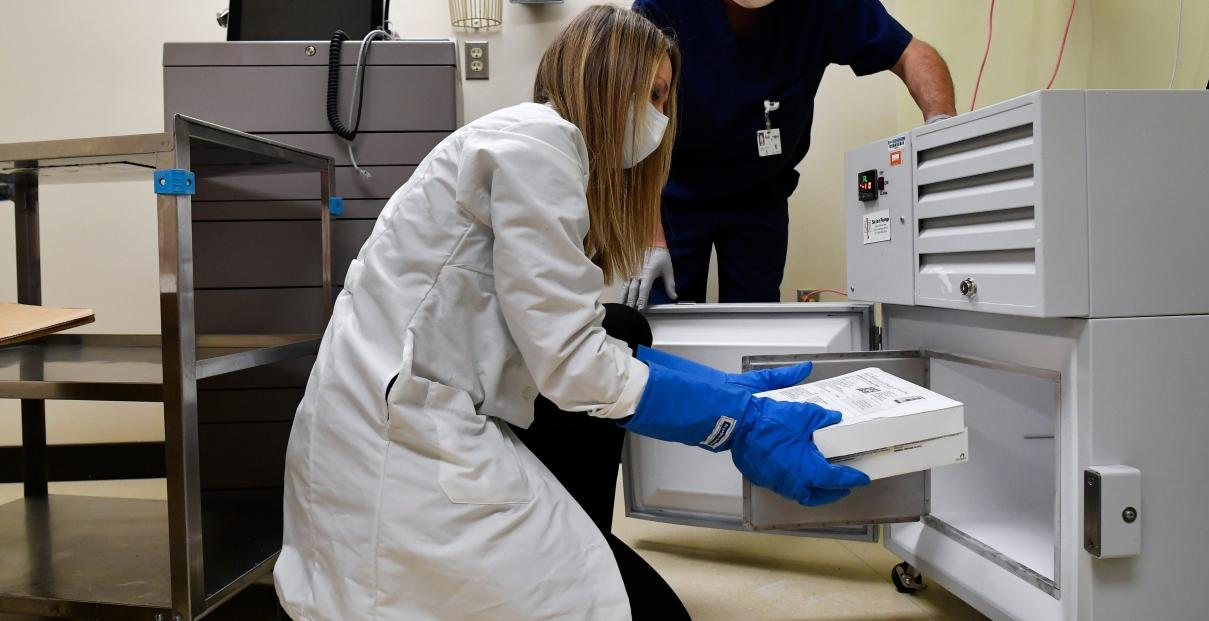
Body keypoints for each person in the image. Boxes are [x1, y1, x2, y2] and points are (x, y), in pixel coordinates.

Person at [274, 6, 868, 620]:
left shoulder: (529, 141)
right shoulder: (542, 143)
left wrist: (720, 389)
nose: (660, 118)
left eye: (668, 101)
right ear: (609, 77)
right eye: (653, 94)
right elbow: (574, 367)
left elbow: (576, 339)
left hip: (397, 414)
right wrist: (734, 421)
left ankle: (572, 530)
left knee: (624, 327)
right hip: (403, 457)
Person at [621, 0, 956, 309]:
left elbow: (912, 54)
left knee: (755, 329)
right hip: (672, 192)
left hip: (760, 197)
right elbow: (634, 114)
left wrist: (943, 135)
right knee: (663, 325)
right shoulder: (663, 5)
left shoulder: (824, 7)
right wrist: (650, 237)